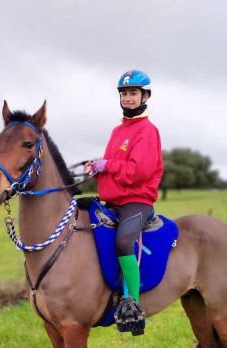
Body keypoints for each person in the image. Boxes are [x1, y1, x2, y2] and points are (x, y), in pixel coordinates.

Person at [86, 70, 163, 334]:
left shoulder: (148, 131)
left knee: (122, 241)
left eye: (133, 93)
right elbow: (117, 166)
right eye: (124, 94)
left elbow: (138, 171)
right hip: (112, 201)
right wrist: (98, 168)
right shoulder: (117, 130)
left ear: (145, 96)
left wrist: (108, 164)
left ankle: (133, 305)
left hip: (137, 201)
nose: (128, 98)